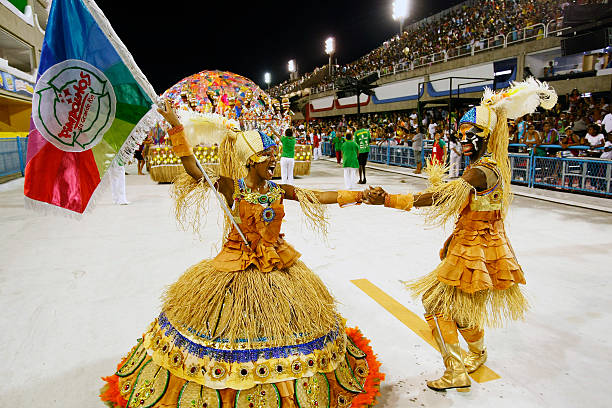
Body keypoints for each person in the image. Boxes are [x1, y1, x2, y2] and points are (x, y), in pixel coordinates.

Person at [100, 101, 384, 408]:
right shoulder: (230, 187)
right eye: (267, 157)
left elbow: (317, 195)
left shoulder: (278, 190)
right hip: (235, 266)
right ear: (250, 161)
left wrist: (360, 196)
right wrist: (175, 126)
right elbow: (194, 170)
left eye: (275, 155)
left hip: (277, 265)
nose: (273, 161)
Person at [364, 78, 557, 393]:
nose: (464, 140)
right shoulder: (486, 166)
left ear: (486, 136)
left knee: (435, 304)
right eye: (461, 135)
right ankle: (478, 354)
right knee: (459, 307)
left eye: (472, 135)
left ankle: (455, 371)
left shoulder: (481, 171)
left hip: (475, 250)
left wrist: (388, 199)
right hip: (471, 246)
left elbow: (442, 197)